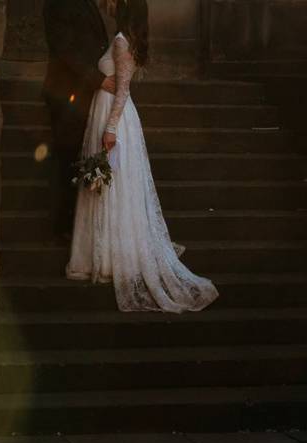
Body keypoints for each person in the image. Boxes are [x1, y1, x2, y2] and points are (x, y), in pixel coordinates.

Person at [65, 0, 219, 313]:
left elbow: (122, 91)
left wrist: (109, 129)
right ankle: (99, 255)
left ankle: (113, 257)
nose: (111, 5)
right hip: (105, 111)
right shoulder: (122, 38)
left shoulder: (122, 42)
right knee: (104, 187)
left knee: (112, 186)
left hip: (114, 117)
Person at [42, 0, 117, 240]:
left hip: (83, 94)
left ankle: (76, 224)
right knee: (66, 156)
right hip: (66, 93)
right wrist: (99, 79)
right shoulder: (58, 4)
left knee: (78, 155)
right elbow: (65, 49)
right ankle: (62, 227)